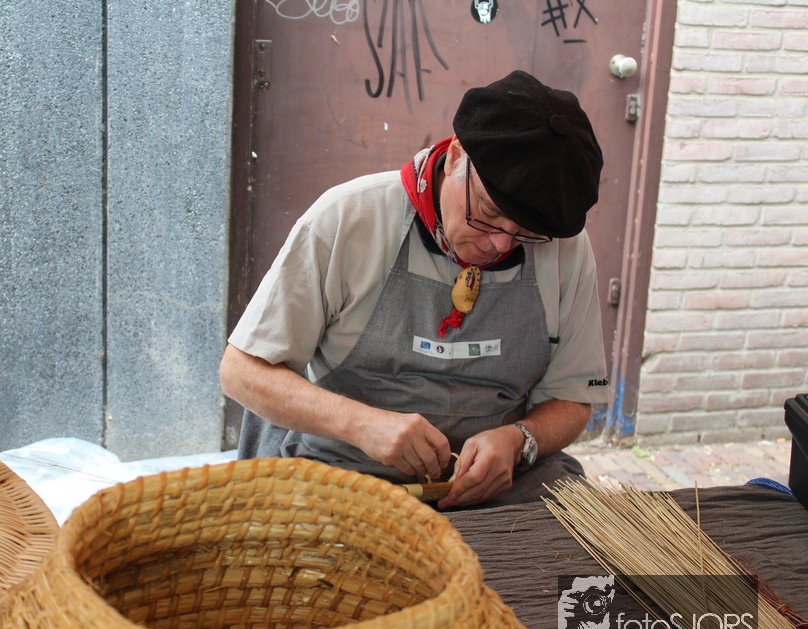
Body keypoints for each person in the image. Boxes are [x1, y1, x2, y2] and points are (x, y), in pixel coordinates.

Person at [219, 70, 609, 510]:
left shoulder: (566, 251)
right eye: (487, 214)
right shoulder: (350, 218)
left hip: (493, 489)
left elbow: (573, 397)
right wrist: (362, 424)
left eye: (525, 234)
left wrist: (520, 440)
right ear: (457, 156)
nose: (500, 244)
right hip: (343, 475)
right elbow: (241, 372)